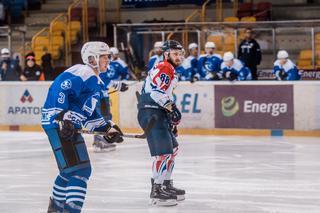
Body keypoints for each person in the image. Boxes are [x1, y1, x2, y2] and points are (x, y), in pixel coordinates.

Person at [41, 41, 124, 213]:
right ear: (92, 58)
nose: (108, 60)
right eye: (104, 57)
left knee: (69, 171)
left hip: (64, 125)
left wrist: (108, 128)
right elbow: (60, 90)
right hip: (59, 124)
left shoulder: (94, 80)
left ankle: (55, 209)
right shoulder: (85, 73)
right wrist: (63, 118)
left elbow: (90, 114)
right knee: (81, 171)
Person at [137, 40, 185, 206]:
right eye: (175, 53)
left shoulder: (167, 68)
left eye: (180, 54)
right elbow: (157, 91)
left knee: (173, 149)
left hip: (157, 111)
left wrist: (169, 112)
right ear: (166, 54)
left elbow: (162, 92)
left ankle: (165, 184)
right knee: (164, 153)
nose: (178, 57)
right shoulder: (165, 66)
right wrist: (171, 109)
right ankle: (157, 190)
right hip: (152, 111)